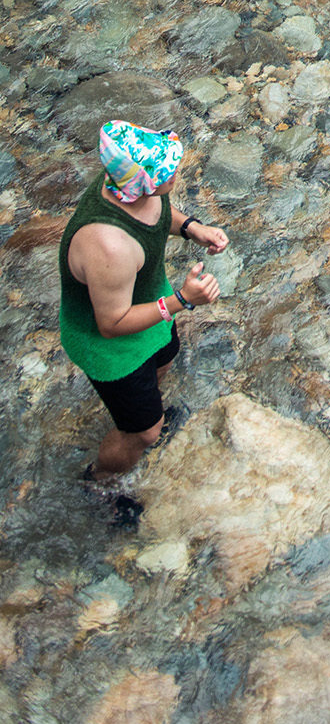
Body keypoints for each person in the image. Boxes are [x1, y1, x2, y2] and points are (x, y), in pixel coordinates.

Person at [59, 120, 228, 510]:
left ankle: (142, 406)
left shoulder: (127, 186)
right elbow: (112, 324)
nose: (175, 172)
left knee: (165, 360)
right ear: (144, 182)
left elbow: (156, 209)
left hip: (149, 311)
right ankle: (101, 482)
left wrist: (192, 228)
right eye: (167, 171)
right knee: (146, 431)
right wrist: (183, 300)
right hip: (111, 349)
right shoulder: (109, 247)